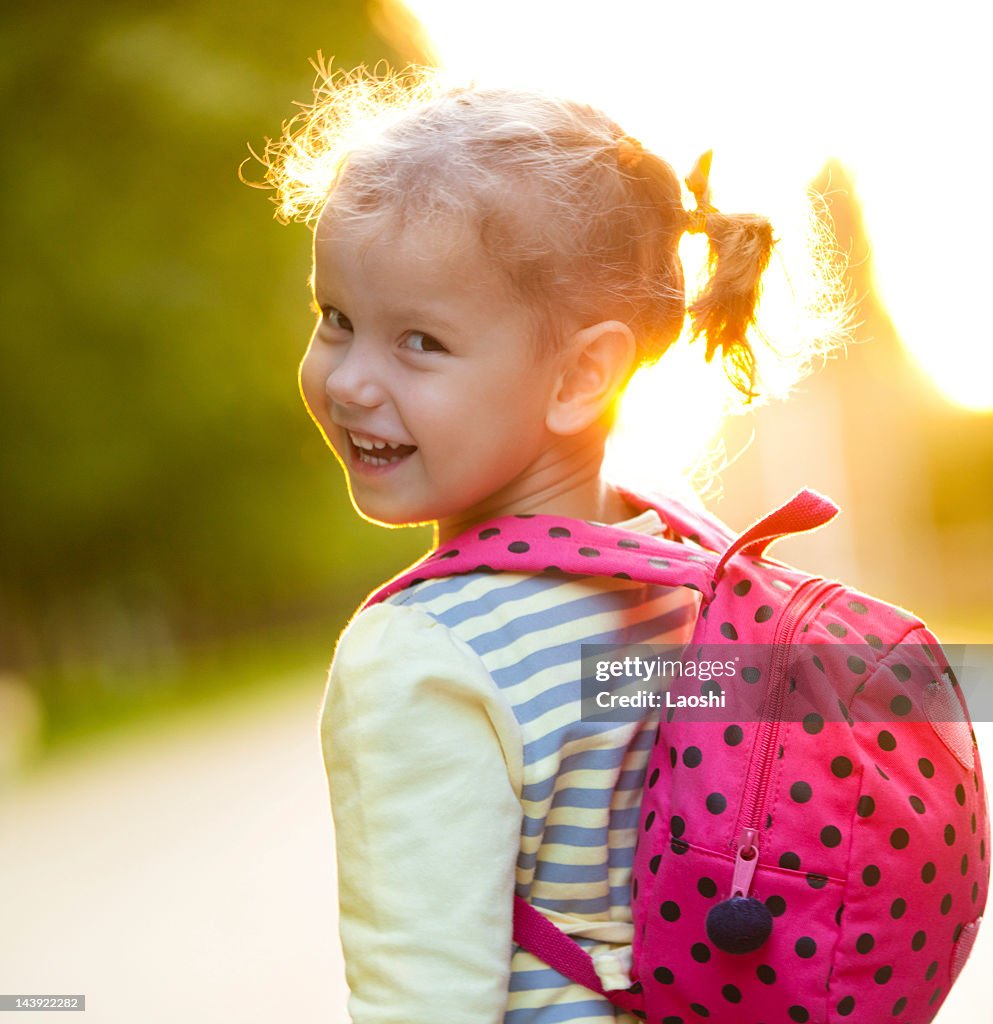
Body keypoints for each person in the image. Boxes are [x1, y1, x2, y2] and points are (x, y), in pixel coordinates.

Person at [261, 66, 842, 1024]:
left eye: (420, 342)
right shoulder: (691, 575)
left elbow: (423, 998)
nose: (351, 381)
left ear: (582, 374)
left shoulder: (421, 654)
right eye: (336, 319)